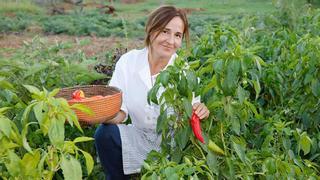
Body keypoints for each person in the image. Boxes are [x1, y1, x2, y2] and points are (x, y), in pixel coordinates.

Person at [94, 5, 210, 180]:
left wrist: (201, 109)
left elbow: (192, 109)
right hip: (139, 136)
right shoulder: (129, 62)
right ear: (150, 30)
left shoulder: (184, 72)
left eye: (177, 35)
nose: (171, 41)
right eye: (165, 31)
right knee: (105, 133)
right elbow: (120, 112)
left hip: (171, 145)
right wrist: (95, 115)